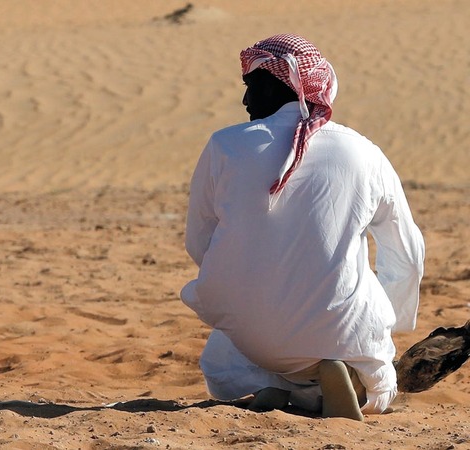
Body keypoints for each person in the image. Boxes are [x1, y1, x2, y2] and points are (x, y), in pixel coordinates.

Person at [180, 34, 425, 420]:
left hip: (252, 334)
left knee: (226, 362)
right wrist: (386, 323)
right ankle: (346, 382)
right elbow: (407, 257)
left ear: (286, 86)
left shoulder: (224, 146)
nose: (245, 102)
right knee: (382, 382)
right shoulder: (365, 152)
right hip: (339, 328)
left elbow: (200, 244)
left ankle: (272, 385)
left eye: (253, 87)